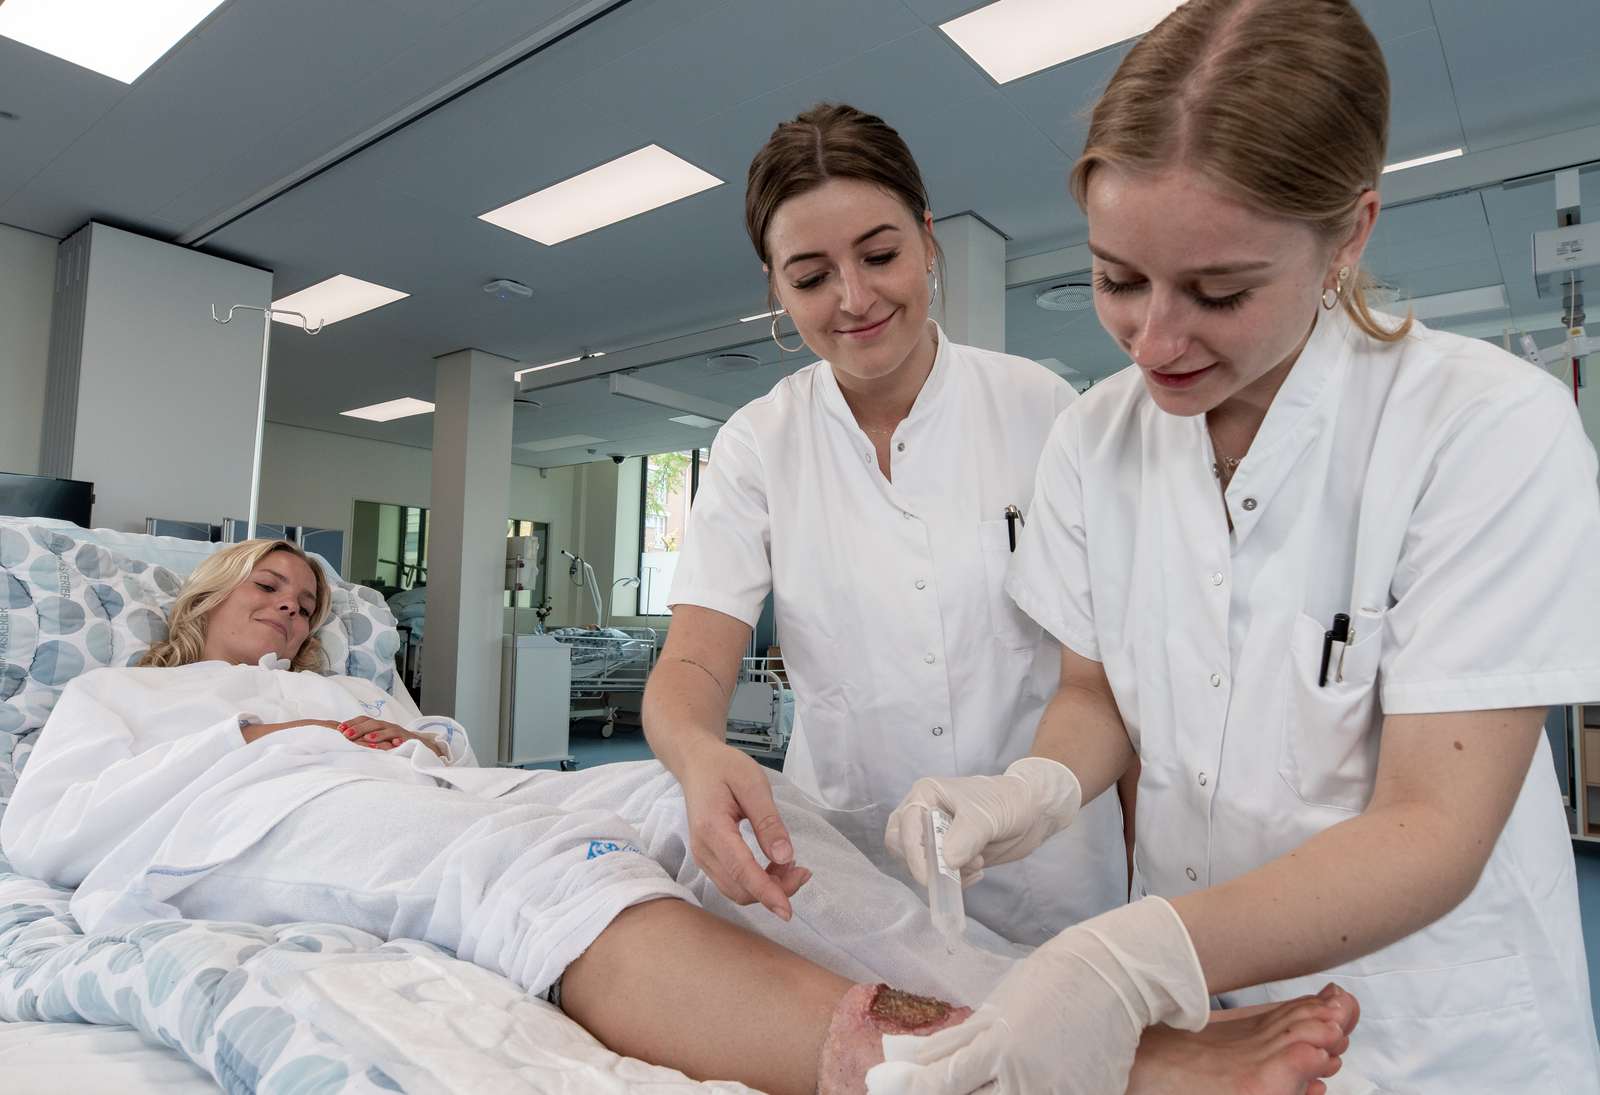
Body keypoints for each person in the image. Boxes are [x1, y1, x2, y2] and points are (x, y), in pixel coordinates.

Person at [879, 2, 1600, 1092]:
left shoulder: (1483, 428)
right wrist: (1027, 790)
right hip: (1212, 1033)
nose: (1155, 340)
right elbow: (1098, 695)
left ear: (1347, 235)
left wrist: (1131, 958)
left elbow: (1432, 825)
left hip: (1429, 1033)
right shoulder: (1092, 440)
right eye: (1118, 279)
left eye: (1218, 292)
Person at [0, 538, 1359, 1095]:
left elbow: (453, 757)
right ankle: (1010, 1068)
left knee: (691, 797)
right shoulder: (134, 691)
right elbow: (47, 823)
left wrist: (380, 725)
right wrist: (260, 730)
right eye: (270, 592)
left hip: (421, 776)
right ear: (207, 599)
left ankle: (1044, 997)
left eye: (306, 601)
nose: (293, 611)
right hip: (270, 810)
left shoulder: (359, 685)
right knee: (534, 866)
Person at [643, 103, 1125, 946]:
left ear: (928, 239)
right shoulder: (760, 445)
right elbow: (691, 659)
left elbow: (1097, 681)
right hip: (858, 870)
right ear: (774, 286)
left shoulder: (1041, 410)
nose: (854, 298)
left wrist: (1032, 793)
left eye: (880, 254)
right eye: (811, 275)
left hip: (1047, 869)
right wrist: (696, 753)